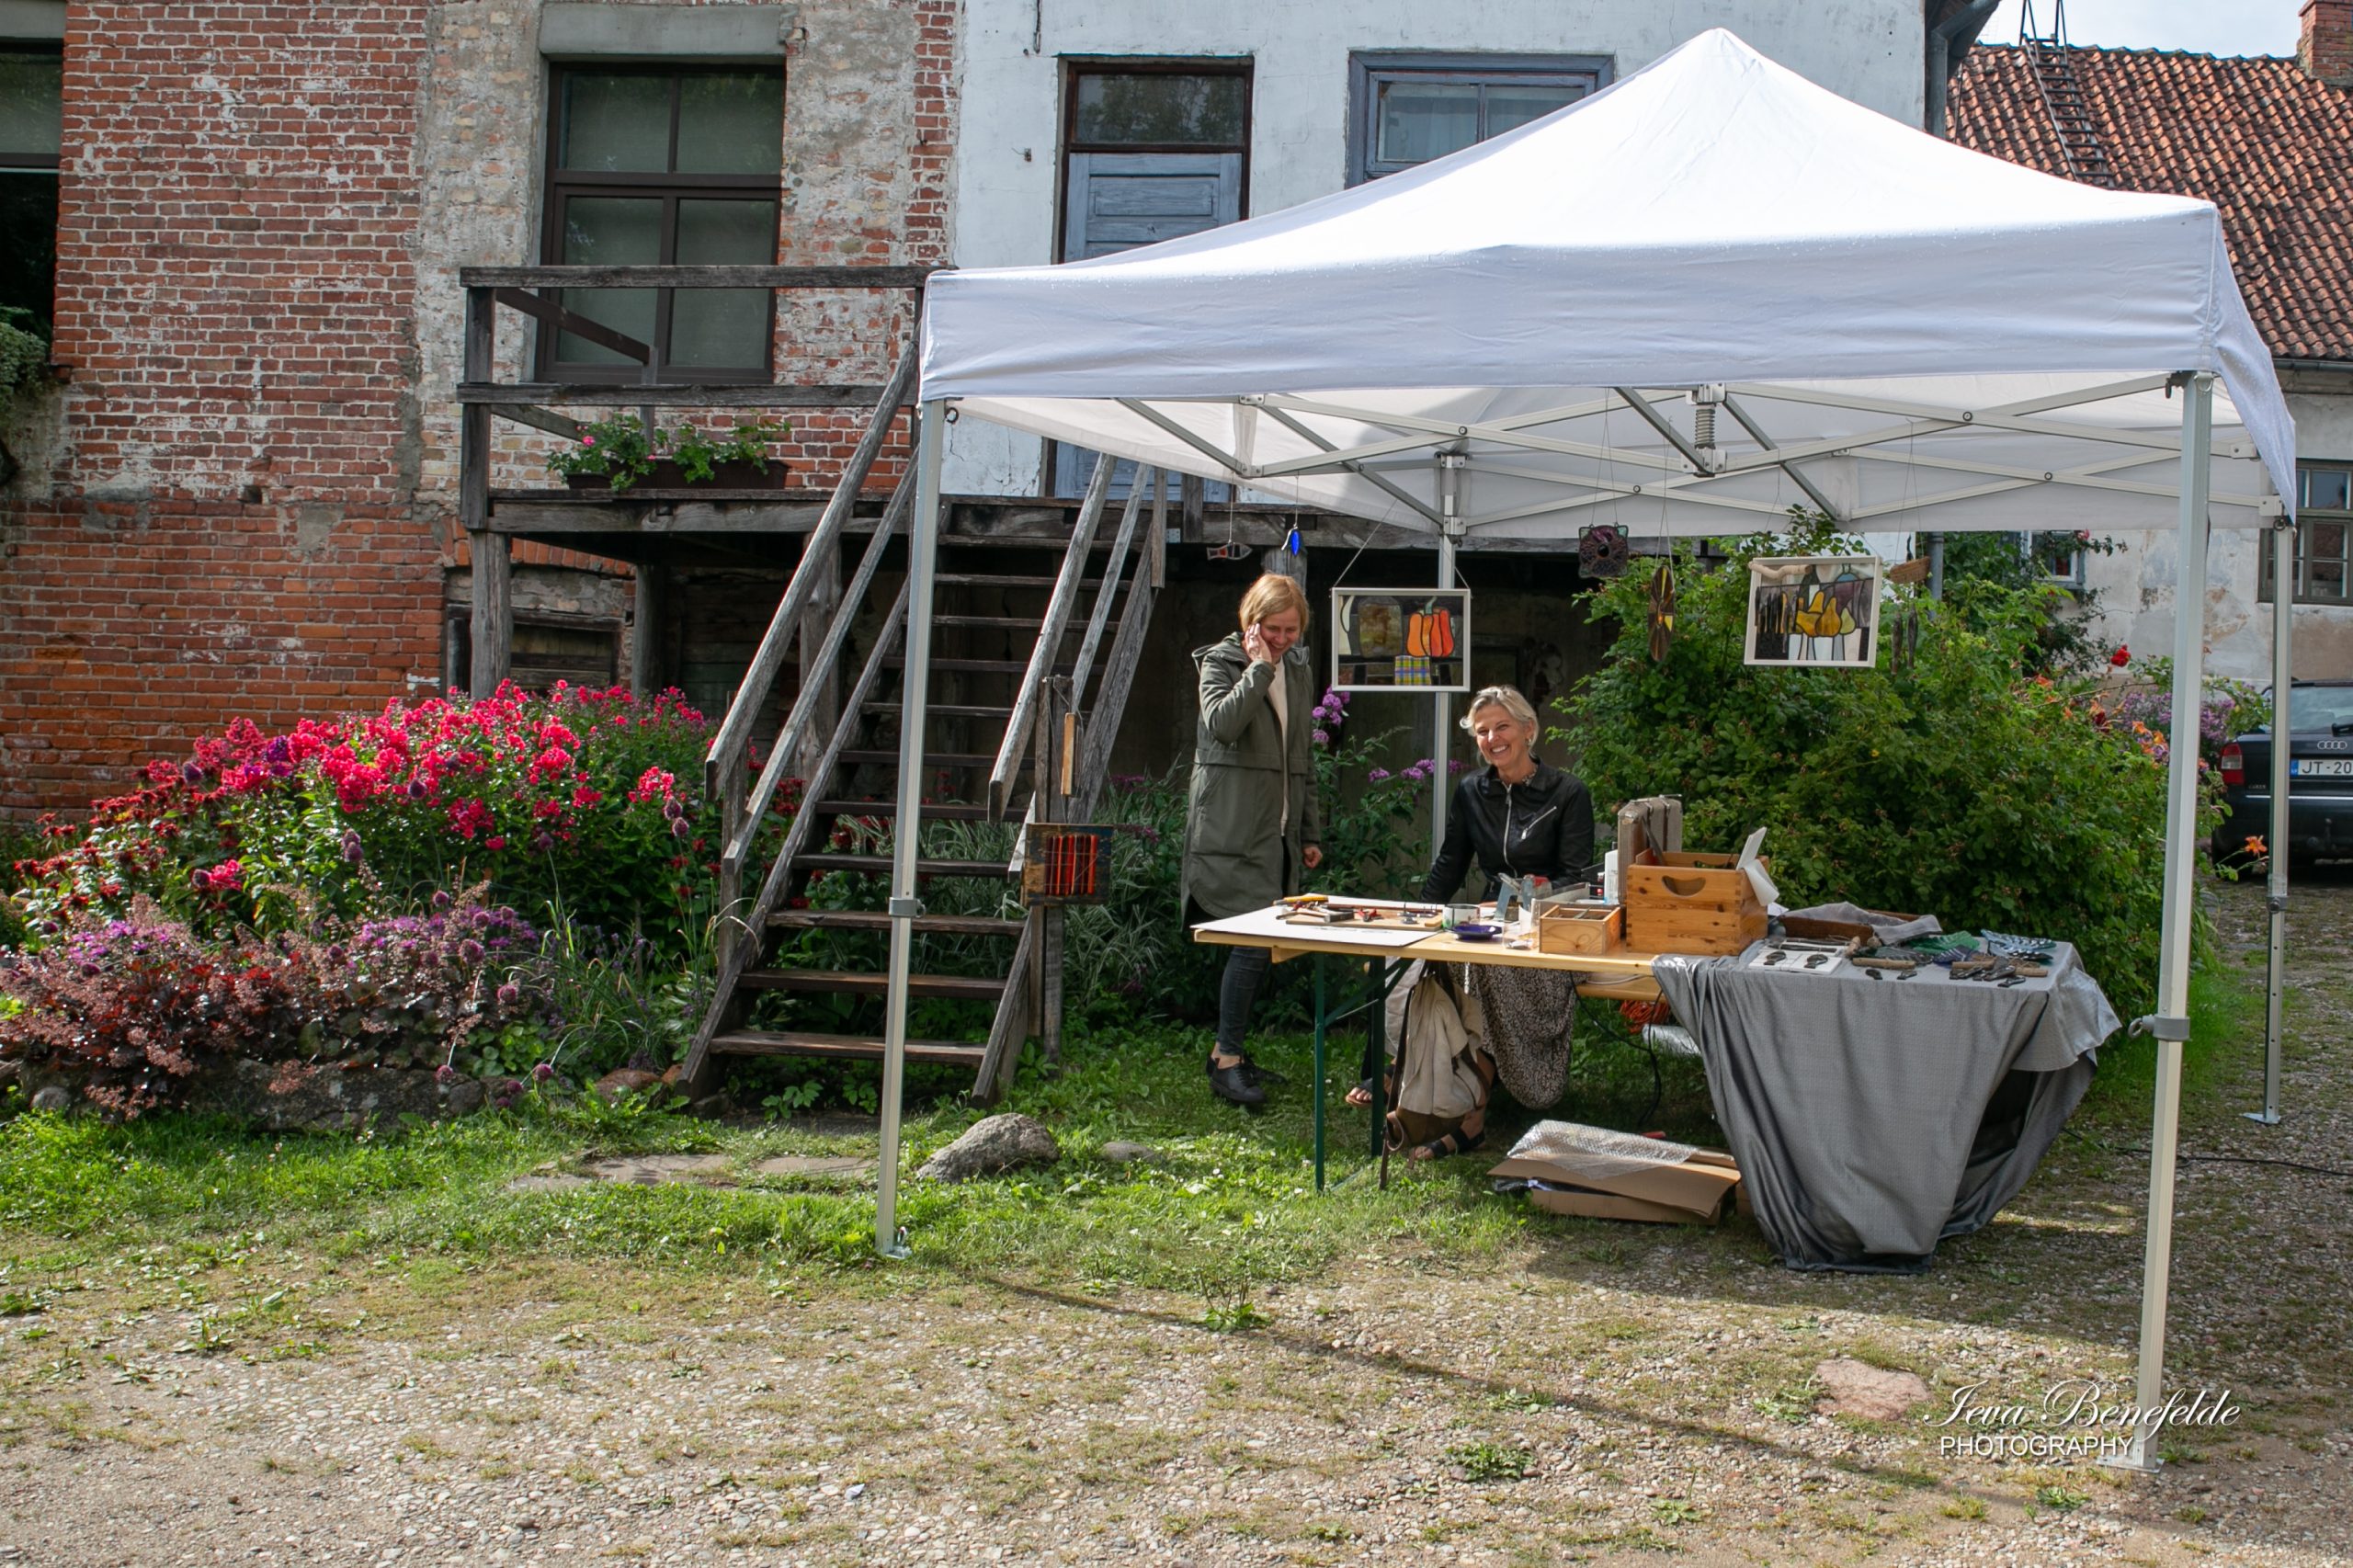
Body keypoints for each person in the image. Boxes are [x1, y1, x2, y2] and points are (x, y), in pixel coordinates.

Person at [1352, 685, 1595, 1153]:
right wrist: (1420, 920)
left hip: (1549, 932)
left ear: (1528, 730)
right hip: (1488, 923)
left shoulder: (1568, 793)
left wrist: (1524, 899)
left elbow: (1576, 878)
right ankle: (1412, 1073)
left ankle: (1467, 1112)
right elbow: (1450, 863)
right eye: (1482, 731)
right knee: (1402, 960)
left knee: (1485, 971)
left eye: (1502, 727)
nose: (1491, 739)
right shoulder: (1471, 791)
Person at [1182, 574, 1324, 1107]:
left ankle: (1230, 1053)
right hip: (1232, 828)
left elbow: (1301, 758)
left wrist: (1308, 831)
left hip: (1276, 831)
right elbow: (1222, 724)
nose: (1283, 639)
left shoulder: (1297, 668)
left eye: (1291, 630)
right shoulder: (1220, 663)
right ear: (1251, 621)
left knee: (1261, 944)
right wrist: (1260, 668)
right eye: (1273, 628)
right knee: (1252, 944)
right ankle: (1226, 1058)